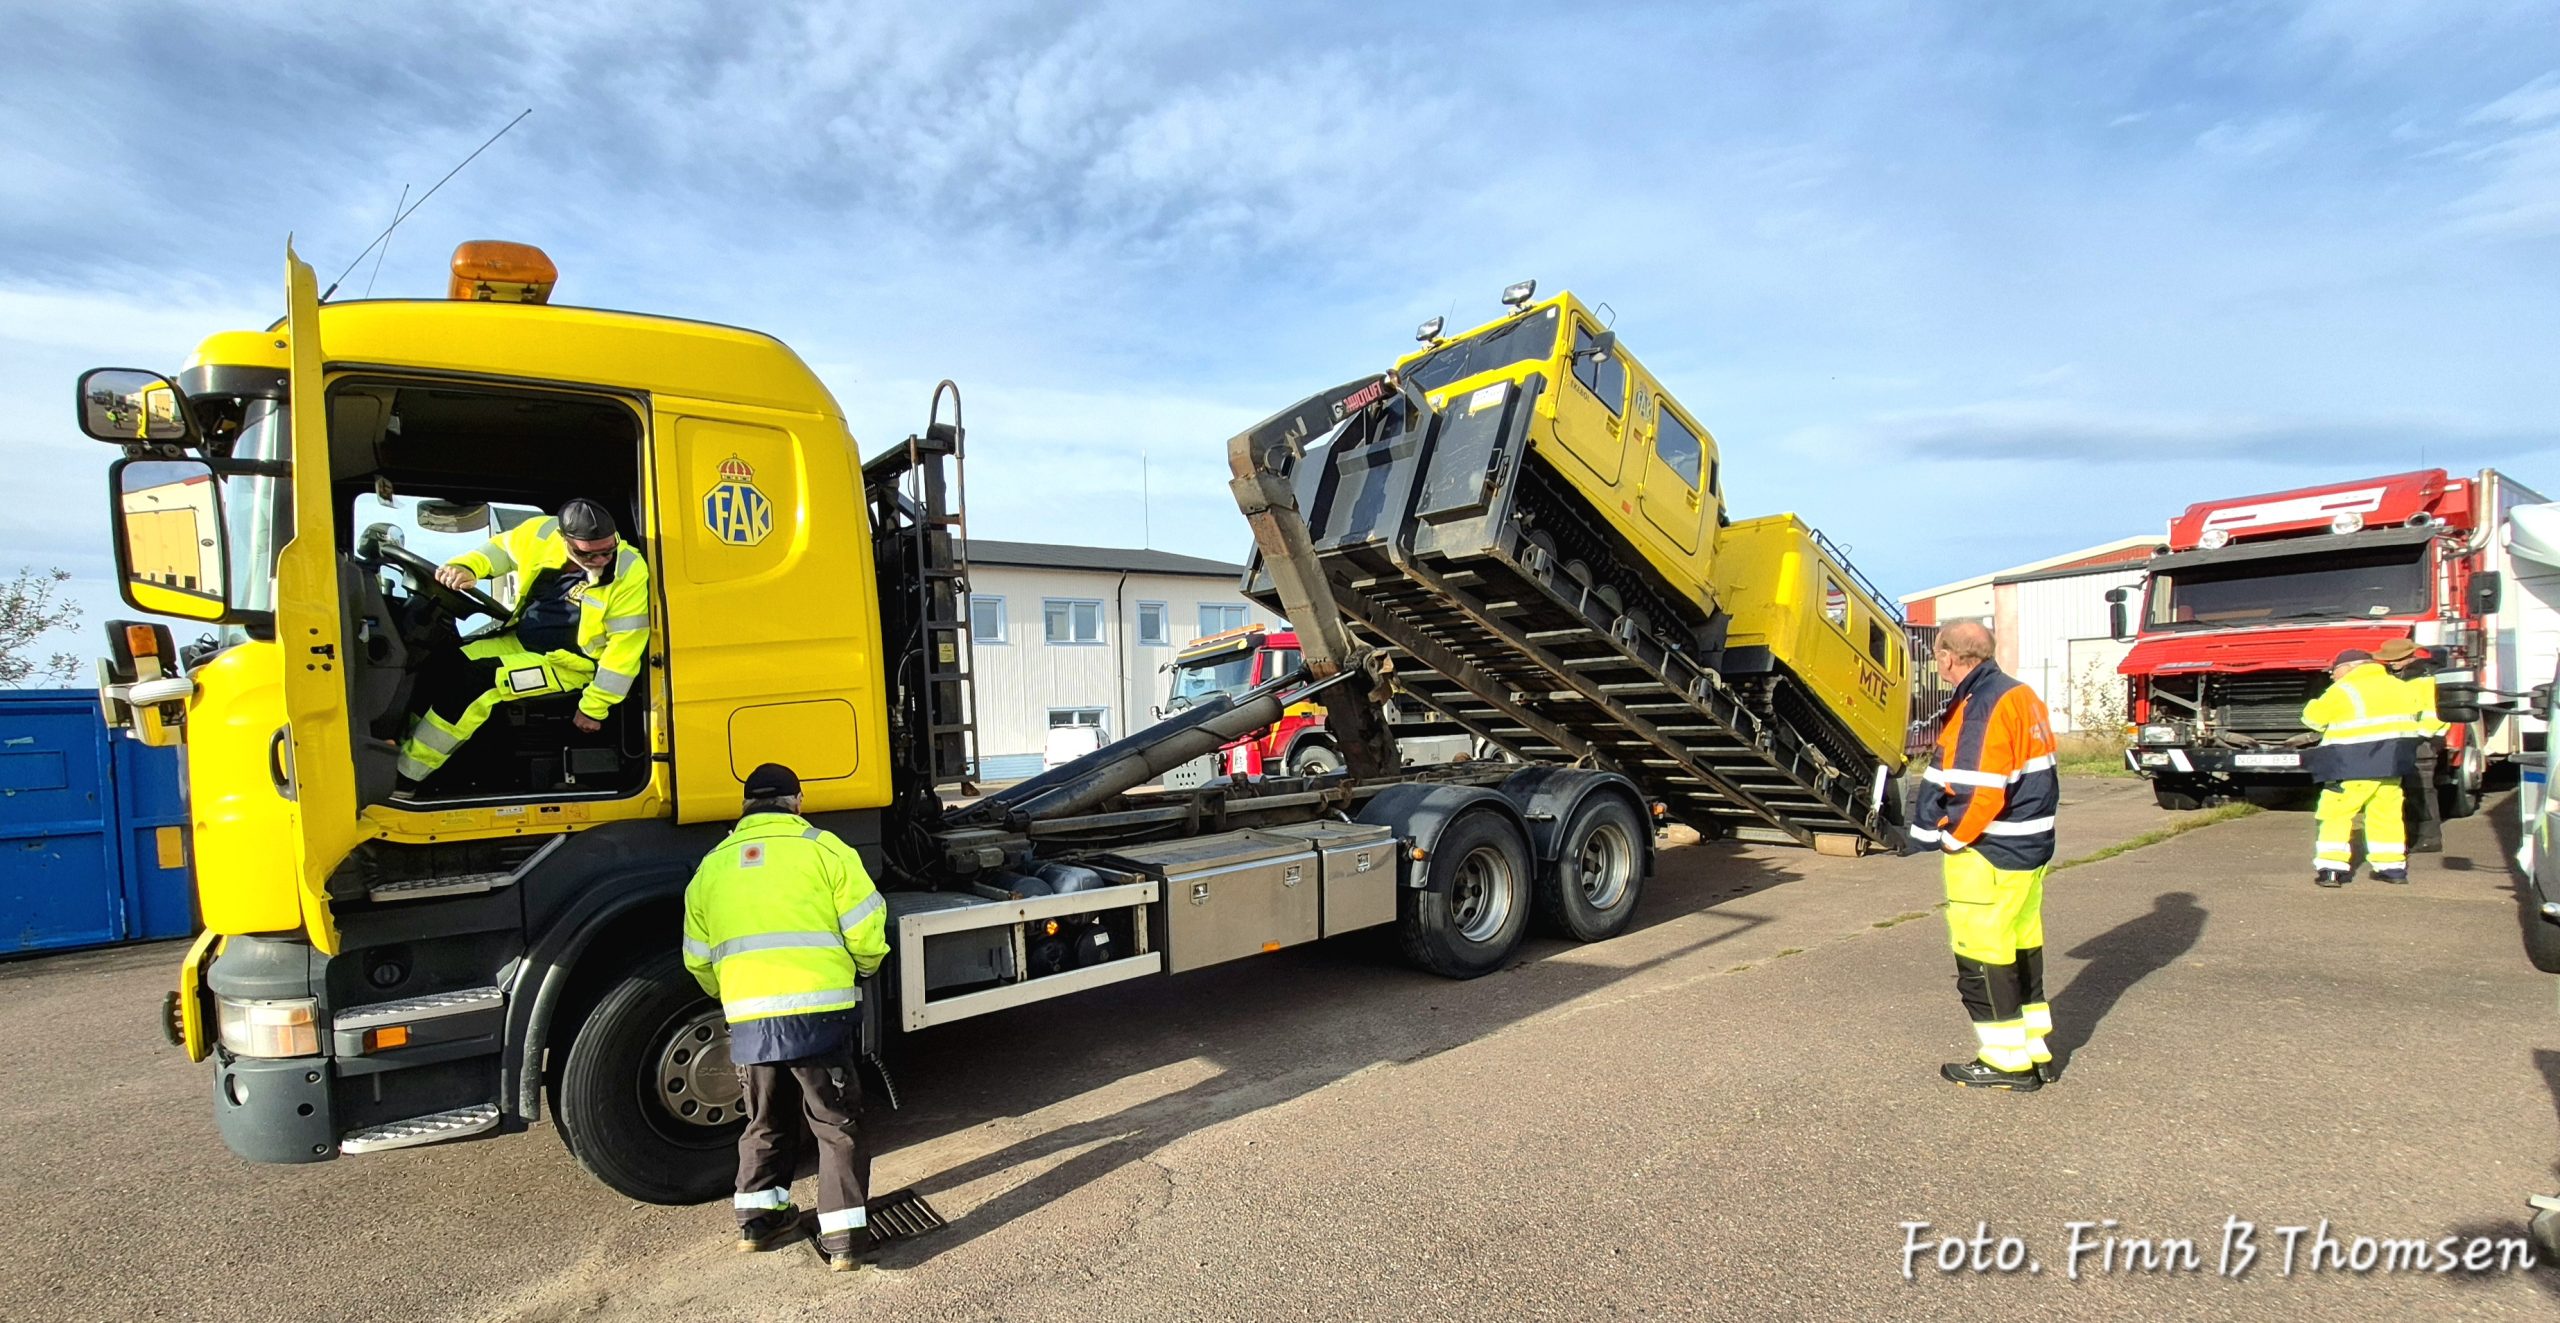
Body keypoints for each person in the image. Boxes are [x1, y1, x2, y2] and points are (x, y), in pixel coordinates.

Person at [682, 763, 891, 1273]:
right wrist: (864, 968)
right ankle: (844, 1240)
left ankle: (758, 1223)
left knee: (764, 1119)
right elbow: (867, 930)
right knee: (834, 1123)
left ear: (745, 806)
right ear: (797, 801)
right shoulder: (826, 850)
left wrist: (733, 996)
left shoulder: (711, 866)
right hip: (818, 1016)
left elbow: (698, 957)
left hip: (750, 1020)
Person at [393, 498, 652, 786]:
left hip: (571, 665)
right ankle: (400, 744)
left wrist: (594, 707)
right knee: (445, 663)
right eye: (588, 554)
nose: (602, 560)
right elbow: (500, 551)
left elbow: (623, 651)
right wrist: (467, 567)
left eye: (608, 550)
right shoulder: (541, 533)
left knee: (479, 681)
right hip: (521, 641)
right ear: (563, 538)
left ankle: (405, 777)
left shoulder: (629, 570)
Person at [1909, 621, 2061, 1092]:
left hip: (1990, 852)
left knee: (1982, 956)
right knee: (2020, 950)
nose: (1937, 662)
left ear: (1950, 657)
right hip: (2027, 848)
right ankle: (2032, 1051)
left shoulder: (1983, 705)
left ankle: (2004, 1062)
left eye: (1937, 654)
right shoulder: (2019, 695)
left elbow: (1979, 790)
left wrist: (1952, 838)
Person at [2301, 648, 2428, 887]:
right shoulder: (2401, 687)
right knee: (2386, 815)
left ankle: (2332, 870)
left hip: (2351, 765)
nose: (2332, 676)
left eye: (2334, 670)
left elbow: (2313, 719)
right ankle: (2392, 869)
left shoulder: (2344, 689)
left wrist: (2313, 704)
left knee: (2336, 815)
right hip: (2391, 766)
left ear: (2350, 667)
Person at [2378, 638, 2449, 853]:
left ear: (2410, 657)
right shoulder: (2397, 678)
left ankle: (2428, 839)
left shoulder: (2425, 679)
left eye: (2396, 659)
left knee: (2421, 792)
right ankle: (2412, 837)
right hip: (2403, 740)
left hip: (2420, 742)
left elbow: (2436, 714)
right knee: (2408, 792)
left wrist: (2421, 736)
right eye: (2389, 659)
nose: (2391, 663)